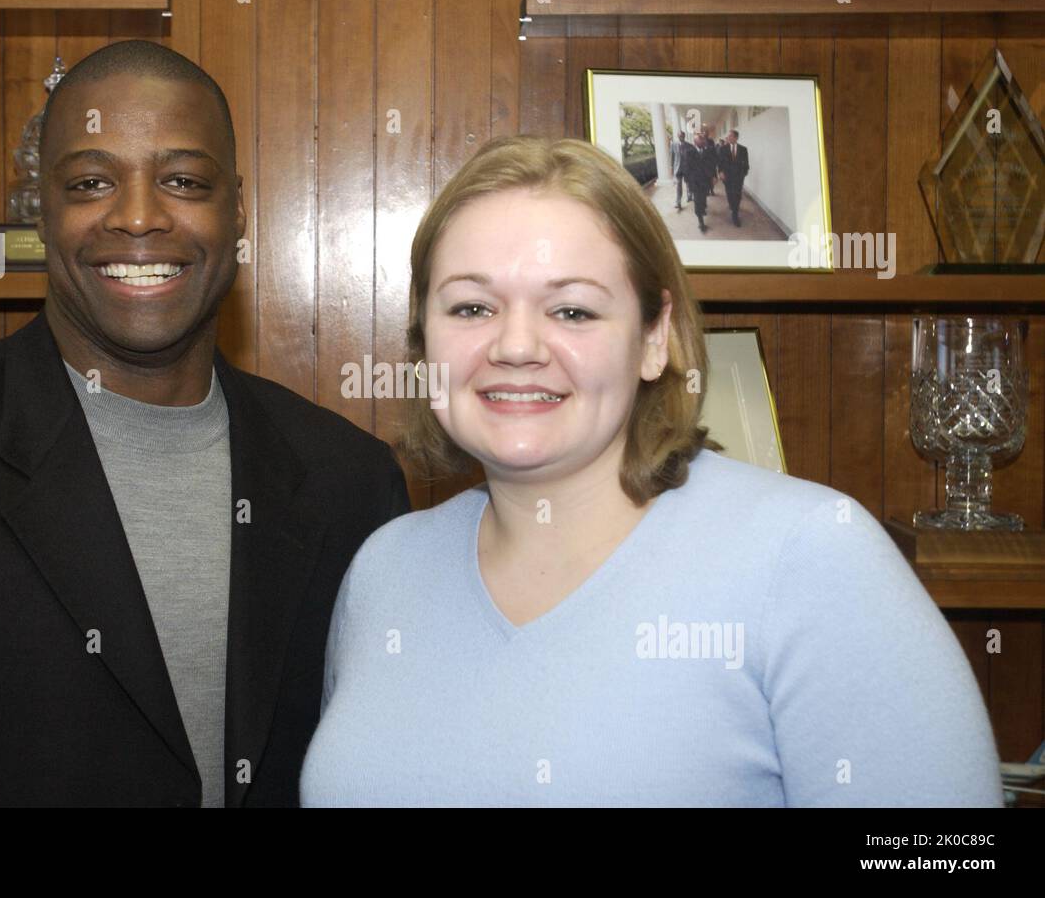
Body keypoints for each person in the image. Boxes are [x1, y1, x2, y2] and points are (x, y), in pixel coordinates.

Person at [0, 40, 410, 807]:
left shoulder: (353, 483)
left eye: (183, 180)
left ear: (238, 208)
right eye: (91, 181)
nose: (136, 216)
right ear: (40, 209)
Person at [299, 135, 1003, 806]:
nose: (516, 345)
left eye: (572, 309)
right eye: (471, 306)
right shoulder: (384, 569)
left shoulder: (812, 556)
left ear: (653, 338)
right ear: (424, 340)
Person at [716, 129, 750, 227]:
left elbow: (746, 164)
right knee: (730, 194)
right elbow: (720, 162)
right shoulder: (723, 148)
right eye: (728, 136)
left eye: (731, 136)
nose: (728, 137)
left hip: (739, 178)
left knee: (738, 195)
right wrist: (720, 172)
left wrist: (743, 174)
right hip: (727, 177)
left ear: (736, 138)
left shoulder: (743, 149)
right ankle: (733, 208)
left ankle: (735, 214)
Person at [681, 132, 711, 233]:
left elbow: (710, 165)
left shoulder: (707, 151)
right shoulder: (689, 151)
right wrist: (688, 182)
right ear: (696, 141)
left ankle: (702, 210)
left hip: (705, 181)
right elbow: (686, 167)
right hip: (695, 182)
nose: (703, 141)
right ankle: (700, 221)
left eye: (703, 139)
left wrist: (712, 177)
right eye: (701, 139)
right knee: (698, 201)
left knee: (703, 199)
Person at [669, 130, 687, 211]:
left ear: (684, 136)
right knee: (678, 186)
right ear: (677, 136)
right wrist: (671, 168)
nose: (681, 137)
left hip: (686, 169)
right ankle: (678, 202)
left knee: (689, 184)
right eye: (679, 136)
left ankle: (690, 196)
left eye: (682, 136)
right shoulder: (673, 144)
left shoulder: (688, 145)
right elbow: (672, 157)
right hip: (678, 169)